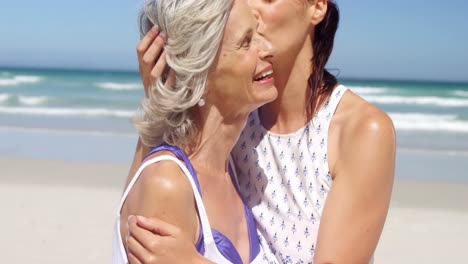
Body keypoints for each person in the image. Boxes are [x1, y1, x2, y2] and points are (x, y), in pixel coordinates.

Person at [127, 0, 396, 263]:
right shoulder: (235, 115)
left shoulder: (360, 131)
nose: (250, 6)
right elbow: (133, 215)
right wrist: (164, 100)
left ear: (317, 6)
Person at [112, 0, 280, 263]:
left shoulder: (234, 168)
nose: (269, 49)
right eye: (246, 42)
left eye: (260, 35)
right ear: (199, 70)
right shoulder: (167, 185)